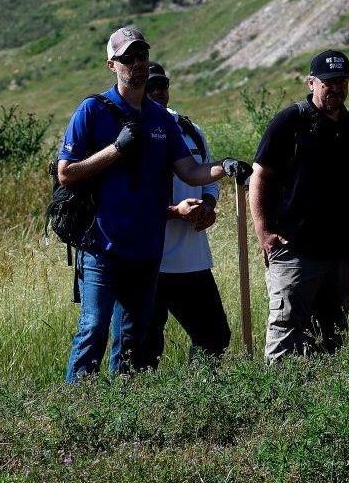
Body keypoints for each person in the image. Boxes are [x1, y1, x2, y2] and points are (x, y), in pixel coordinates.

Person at [58, 27, 251, 382]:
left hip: (147, 251)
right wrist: (116, 149)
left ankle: (123, 412)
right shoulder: (92, 110)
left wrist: (224, 168)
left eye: (142, 56)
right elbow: (67, 173)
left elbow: (190, 171)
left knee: (132, 340)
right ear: (111, 65)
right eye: (128, 58)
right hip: (102, 246)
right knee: (94, 331)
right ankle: (75, 417)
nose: (137, 64)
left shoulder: (162, 118)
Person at [250, 49, 349, 361]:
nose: (336, 88)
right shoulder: (289, 122)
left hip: (340, 254)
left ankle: (323, 402)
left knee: (332, 336)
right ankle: (278, 404)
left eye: (341, 81)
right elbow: (260, 176)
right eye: (328, 82)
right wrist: (264, 232)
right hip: (295, 251)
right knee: (286, 332)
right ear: (311, 82)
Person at [137, 62, 231, 369]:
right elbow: (124, 203)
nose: (158, 92)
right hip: (143, 260)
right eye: (151, 87)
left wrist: (208, 208)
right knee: (142, 347)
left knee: (214, 336)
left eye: (162, 85)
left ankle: (198, 401)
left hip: (190, 258)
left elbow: (208, 179)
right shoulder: (126, 131)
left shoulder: (189, 129)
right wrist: (175, 212)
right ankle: (141, 410)